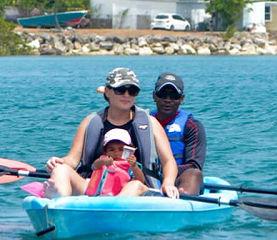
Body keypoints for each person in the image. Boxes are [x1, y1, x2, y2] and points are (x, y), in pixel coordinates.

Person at [45, 67, 181, 199]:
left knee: (134, 185)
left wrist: (168, 182)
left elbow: (168, 161)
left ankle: (112, 212)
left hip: (137, 189)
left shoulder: (150, 123)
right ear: (108, 92)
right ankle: (58, 204)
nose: (127, 95)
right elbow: (73, 159)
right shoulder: (90, 122)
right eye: (120, 90)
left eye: (132, 91)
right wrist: (59, 162)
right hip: (97, 186)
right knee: (61, 170)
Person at [151, 72, 207, 195]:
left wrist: (164, 172)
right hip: (148, 177)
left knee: (194, 174)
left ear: (182, 99)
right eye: (163, 95)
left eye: (174, 96)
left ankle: (183, 201)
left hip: (179, 179)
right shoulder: (143, 122)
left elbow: (194, 165)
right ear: (154, 96)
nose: (168, 100)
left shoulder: (192, 126)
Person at [85, 128, 148, 197]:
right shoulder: (102, 160)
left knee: (136, 183)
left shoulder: (130, 163)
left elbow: (140, 180)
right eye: (111, 150)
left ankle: (118, 201)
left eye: (121, 149)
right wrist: (103, 161)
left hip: (121, 195)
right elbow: (95, 165)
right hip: (99, 194)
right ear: (105, 151)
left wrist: (134, 166)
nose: (116, 153)